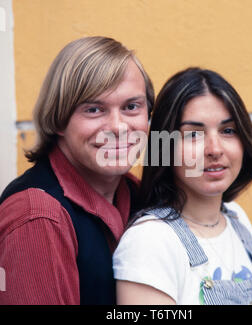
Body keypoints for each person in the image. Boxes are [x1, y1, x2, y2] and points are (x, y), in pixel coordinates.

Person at [113, 67, 252, 305]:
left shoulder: (237, 220)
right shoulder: (150, 241)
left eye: (228, 131)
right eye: (194, 135)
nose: (215, 149)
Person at [0, 36, 154, 305]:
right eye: (94, 109)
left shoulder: (136, 193)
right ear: (59, 119)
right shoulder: (38, 216)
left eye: (131, 107)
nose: (118, 127)